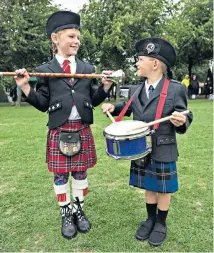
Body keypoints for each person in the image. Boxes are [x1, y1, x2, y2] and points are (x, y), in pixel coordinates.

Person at [14, 11, 113, 240]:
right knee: (60, 176)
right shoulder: (45, 70)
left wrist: (105, 86)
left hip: (82, 128)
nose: (76, 41)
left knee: (80, 174)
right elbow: (42, 103)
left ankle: (79, 210)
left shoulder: (87, 69)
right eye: (71, 36)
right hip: (59, 129)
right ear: (55, 38)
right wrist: (26, 87)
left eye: (78, 36)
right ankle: (66, 214)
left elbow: (94, 101)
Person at [101, 37, 193, 246]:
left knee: (164, 188)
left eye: (140, 59)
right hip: (140, 147)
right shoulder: (136, 88)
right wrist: (113, 108)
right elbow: (129, 105)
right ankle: (150, 219)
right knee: (149, 186)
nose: (136, 63)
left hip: (163, 146)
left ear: (154, 63)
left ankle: (161, 223)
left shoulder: (175, 89)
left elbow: (185, 113)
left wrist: (182, 120)